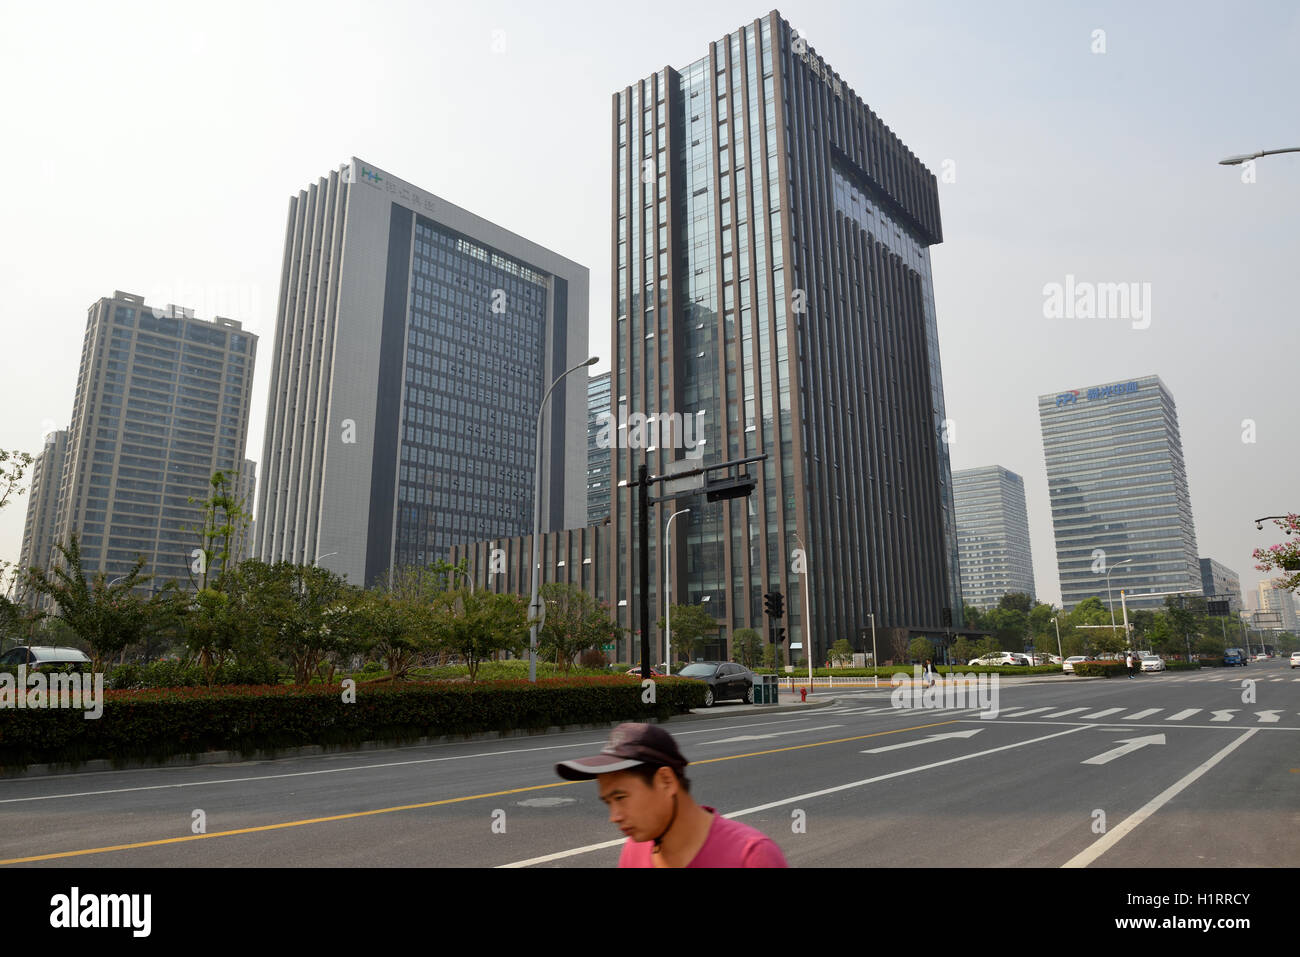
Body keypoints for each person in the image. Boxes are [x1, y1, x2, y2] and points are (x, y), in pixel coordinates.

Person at [555, 722, 789, 868]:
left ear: (666, 781)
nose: (614, 816)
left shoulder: (751, 856)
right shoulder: (633, 851)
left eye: (621, 798)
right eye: (608, 802)